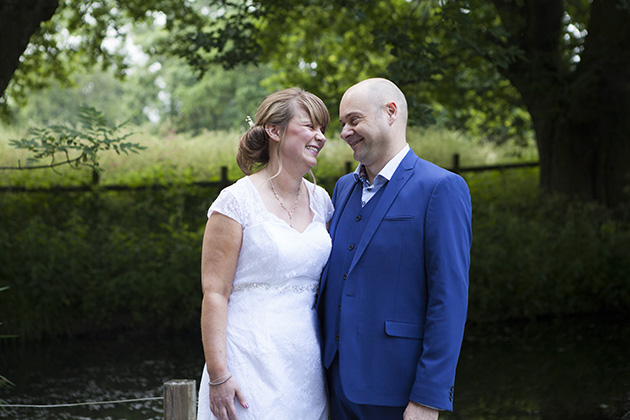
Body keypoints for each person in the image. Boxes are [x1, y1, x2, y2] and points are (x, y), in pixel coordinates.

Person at [317, 78, 472, 420]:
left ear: (391, 113)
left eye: (354, 120)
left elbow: (449, 300)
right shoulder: (342, 189)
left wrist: (429, 398)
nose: (344, 132)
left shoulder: (441, 188)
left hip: (398, 392)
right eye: (343, 124)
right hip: (333, 386)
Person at [196, 87, 333, 420]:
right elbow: (215, 293)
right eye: (311, 126)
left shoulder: (323, 201)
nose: (320, 137)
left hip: (306, 362)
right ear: (275, 130)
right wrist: (219, 375)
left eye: (323, 130)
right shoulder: (235, 202)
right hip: (247, 358)